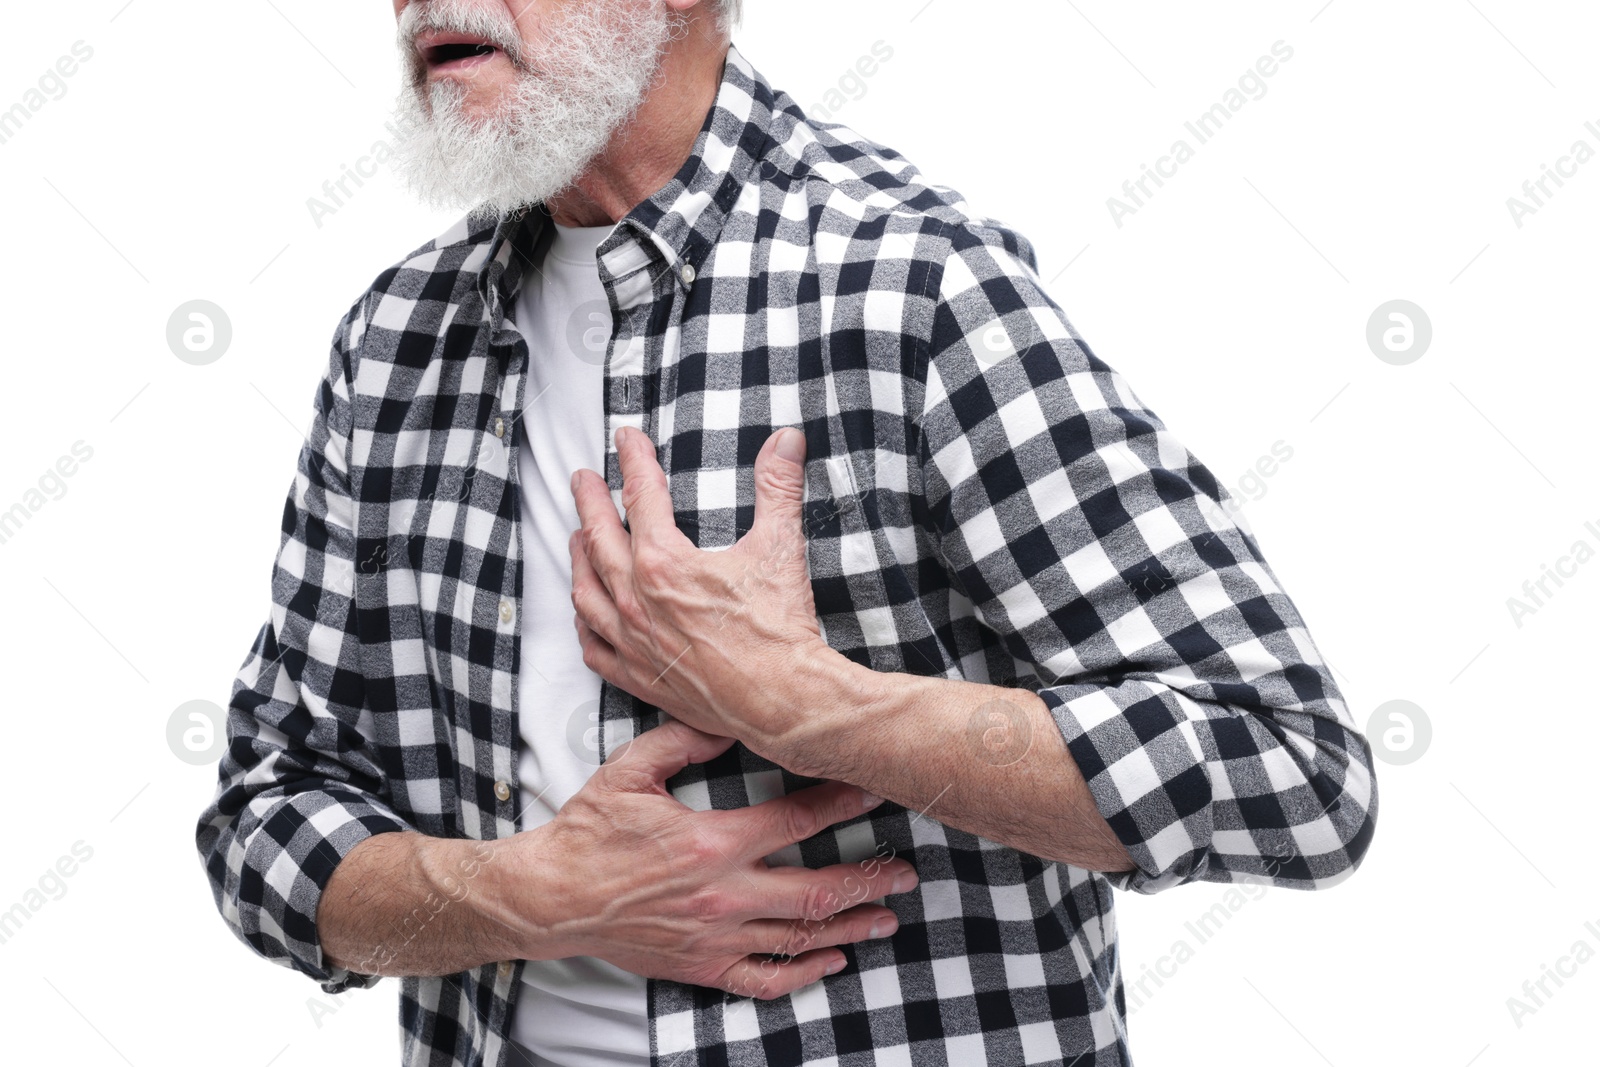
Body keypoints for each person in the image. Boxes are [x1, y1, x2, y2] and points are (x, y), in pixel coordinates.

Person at [195, 1, 1378, 1064]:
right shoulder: (397, 341)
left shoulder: (909, 284)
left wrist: (807, 703)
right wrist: (526, 894)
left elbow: (1293, 769)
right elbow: (267, 812)